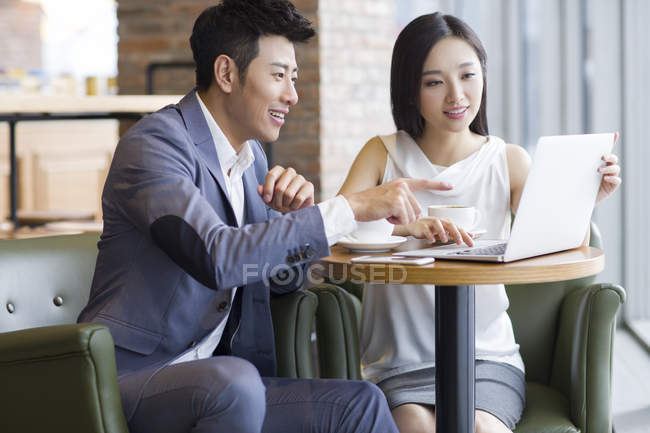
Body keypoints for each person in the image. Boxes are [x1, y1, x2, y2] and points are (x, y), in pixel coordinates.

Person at [77, 1, 454, 433]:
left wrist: (295, 222)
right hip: (132, 379)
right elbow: (216, 258)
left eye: (293, 78)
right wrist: (349, 208)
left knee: (360, 403)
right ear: (227, 73)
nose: (292, 95)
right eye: (278, 76)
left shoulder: (250, 158)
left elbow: (275, 281)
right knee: (236, 384)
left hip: (227, 387)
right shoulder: (155, 146)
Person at [338, 12, 621, 433]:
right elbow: (338, 226)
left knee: (479, 427)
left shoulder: (506, 160)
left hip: (487, 358)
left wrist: (587, 200)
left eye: (468, 75)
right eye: (434, 82)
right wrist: (403, 227)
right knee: (414, 426)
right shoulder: (382, 153)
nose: (456, 95)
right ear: (410, 90)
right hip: (397, 362)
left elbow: (561, 240)